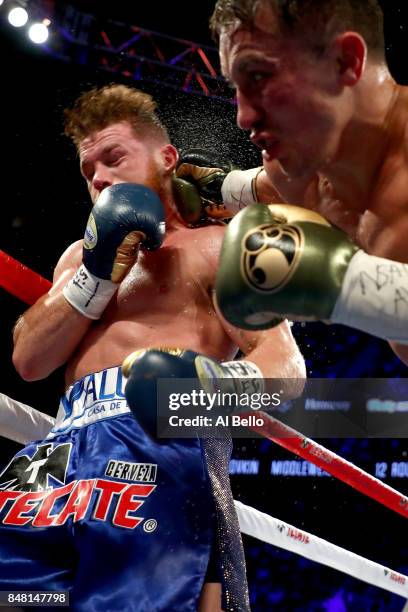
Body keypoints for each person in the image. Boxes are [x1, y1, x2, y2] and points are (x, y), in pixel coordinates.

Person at [1, 84, 305, 612]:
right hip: (56, 456)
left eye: (113, 157)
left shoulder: (218, 247)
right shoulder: (78, 257)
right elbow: (28, 361)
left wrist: (198, 392)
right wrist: (93, 279)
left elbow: (284, 368)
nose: (98, 177)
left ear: (167, 158)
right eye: (88, 170)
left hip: (158, 441)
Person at [177, 0, 408, 364]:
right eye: (236, 86)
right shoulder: (298, 169)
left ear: (345, 61)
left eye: (258, 76)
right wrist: (216, 188)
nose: (243, 116)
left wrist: (348, 286)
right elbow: (270, 186)